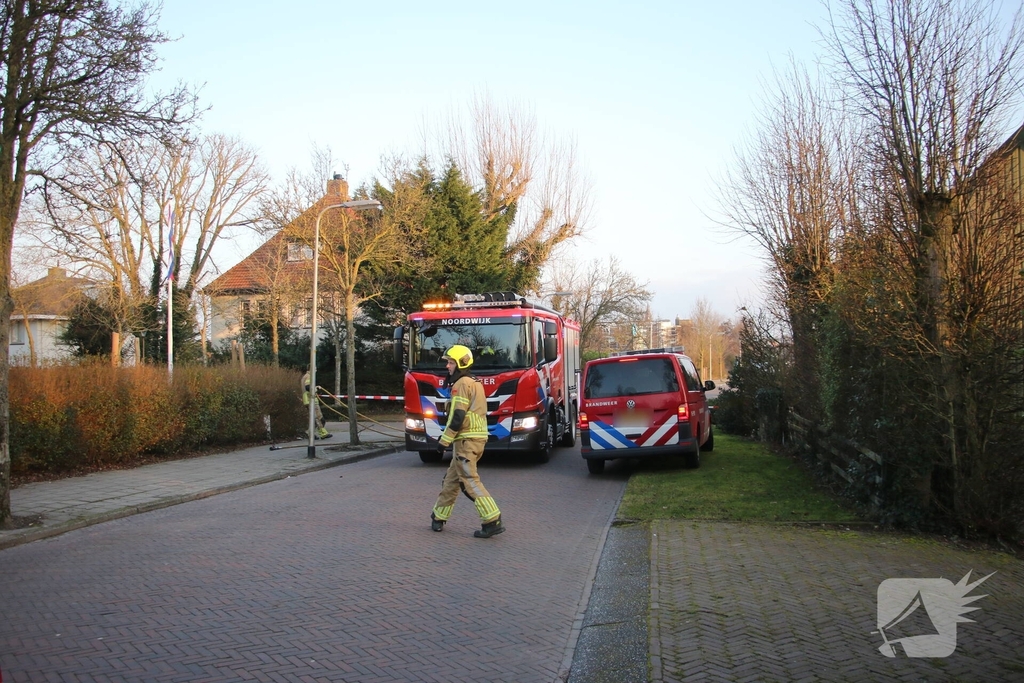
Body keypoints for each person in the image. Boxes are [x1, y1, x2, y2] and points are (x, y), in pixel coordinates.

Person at [429, 344, 504, 538]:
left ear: (461, 363)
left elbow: (457, 416)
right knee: (452, 480)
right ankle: (438, 516)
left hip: (466, 441)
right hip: (474, 439)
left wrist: (444, 441)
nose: (447, 366)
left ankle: (492, 519)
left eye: (451, 362)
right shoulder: (474, 382)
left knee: (469, 481)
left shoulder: (461, 384)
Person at [302, 368, 331, 439]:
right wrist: (316, 389)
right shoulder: (309, 376)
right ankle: (322, 433)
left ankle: (311, 433)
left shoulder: (304, 377)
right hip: (311, 400)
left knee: (314, 418)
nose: (316, 370)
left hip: (307, 400)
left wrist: (315, 387)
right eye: (315, 368)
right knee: (319, 418)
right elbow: (308, 387)